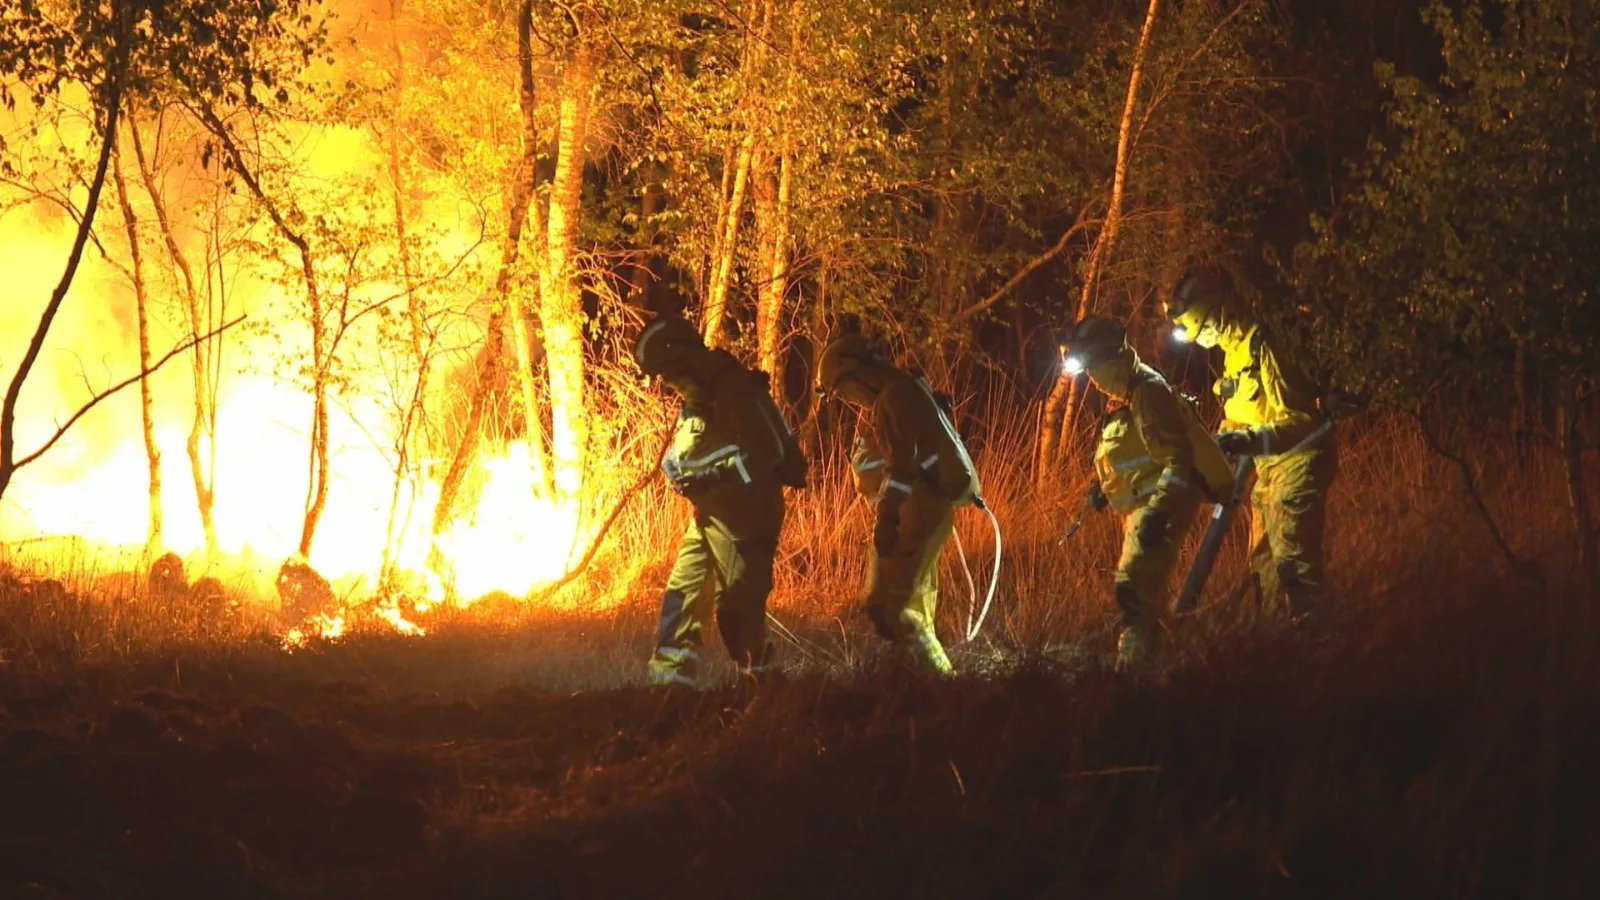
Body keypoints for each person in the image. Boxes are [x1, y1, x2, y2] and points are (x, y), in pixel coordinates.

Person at [634, 315, 807, 685]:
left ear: (681, 358)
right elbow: (694, 443)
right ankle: (668, 687)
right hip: (710, 515)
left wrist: (713, 477)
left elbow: (766, 452)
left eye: (668, 374)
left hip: (745, 518)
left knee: (738, 614)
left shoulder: (731, 388)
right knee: (682, 595)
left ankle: (765, 693)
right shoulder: (701, 391)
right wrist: (675, 467)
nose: (668, 384)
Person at [1166, 271, 1336, 620]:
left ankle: (1315, 637)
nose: (1201, 340)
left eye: (1201, 329)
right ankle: (1276, 636)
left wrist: (1249, 440)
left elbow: (1303, 420)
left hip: (1298, 464)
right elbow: (1241, 414)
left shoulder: (1265, 344)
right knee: (1263, 562)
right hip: (1268, 468)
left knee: (1293, 561)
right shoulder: (1234, 353)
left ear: (1215, 313)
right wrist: (1219, 445)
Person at [815, 334, 981, 677]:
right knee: (915, 608)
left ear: (856, 372)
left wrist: (887, 515)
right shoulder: (907, 387)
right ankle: (943, 681)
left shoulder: (892, 397)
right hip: (930, 506)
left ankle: (927, 685)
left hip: (916, 506)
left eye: (842, 390)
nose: (848, 399)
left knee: (888, 606)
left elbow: (901, 467)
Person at [1062, 315, 1213, 668]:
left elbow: (1177, 460)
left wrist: (1159, 513)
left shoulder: (1148, 393)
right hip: (1142, 508)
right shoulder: (1125, 396)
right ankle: (1162, 667)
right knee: (1149, 594)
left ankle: (1131, 673)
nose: (1092, 380)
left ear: (1109, 361)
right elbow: (1134, 453)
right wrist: (1103, 488)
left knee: (1133, 585)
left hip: (1159, 506)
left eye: (1093, 369)